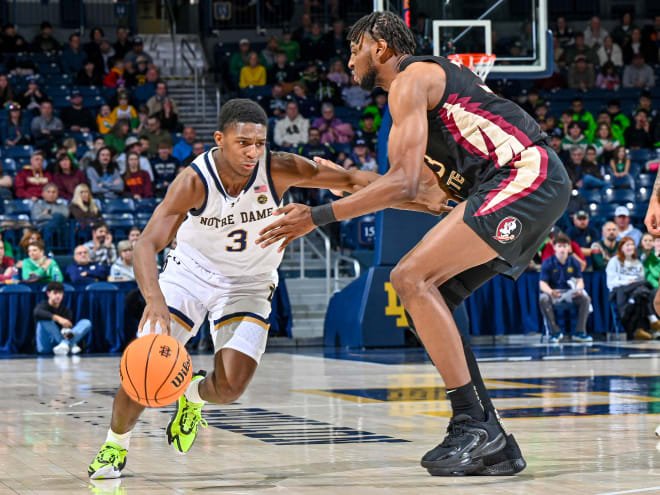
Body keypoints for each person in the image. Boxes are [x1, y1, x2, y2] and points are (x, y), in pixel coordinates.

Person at [256, 12, 573, 476]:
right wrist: (331, 178)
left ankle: (474, 423)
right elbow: (424, 195)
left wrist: (317, 216)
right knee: (433, 292)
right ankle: (490, 436)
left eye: (354, 49)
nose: (349, 60)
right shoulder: (432, 106)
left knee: (409, 275)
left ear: (379, 46)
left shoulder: (411, 78)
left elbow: (401, 185)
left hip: (525, 175)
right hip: (522, 182)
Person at [87, 98, 398, 479]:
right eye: (243, 143)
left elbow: (351, 180)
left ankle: (192, 395)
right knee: (146, 364)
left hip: (250, 282)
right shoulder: (193, 181)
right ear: (220, 139)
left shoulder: (279, 168)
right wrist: (154, 299)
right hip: (190, 275)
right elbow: (146, 244)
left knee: (231, 386)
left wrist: (413, 191)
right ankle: (114, 447)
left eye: (259, 143)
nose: (253, 151)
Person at [539, 233, 592, 343]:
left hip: (570, 293)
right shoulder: (548, 263)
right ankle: (555, 332)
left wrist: (578, 289)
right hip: (554, 293)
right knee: (543, 298)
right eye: (559, 246)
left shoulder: (574, 262)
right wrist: (551, 291)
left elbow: (579, 280)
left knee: (585, 299)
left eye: (564, 246)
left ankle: (580, 332)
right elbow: (542, 283)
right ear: (554, 248)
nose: (562, 249)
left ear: (569, 247)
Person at [606, 236, 657, 340]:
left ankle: (638, 330)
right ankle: (652, 320)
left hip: (635, 294)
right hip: (620, 292)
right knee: (644, 286)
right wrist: (628, 282)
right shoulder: (614, 261)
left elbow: (641, 281)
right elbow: (611, 283)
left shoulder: (637, 263)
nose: (630, 247)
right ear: (621, 248)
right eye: (627, 245)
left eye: (632, 245)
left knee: (641, 293)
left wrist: (634, 285)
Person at [34, 281, 91, 355]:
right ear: (48, 294)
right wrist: (59, 319)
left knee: (86, 322)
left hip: (62, 344)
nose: (58, 296)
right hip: (46, 346)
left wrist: (68, 332)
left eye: (60, 293)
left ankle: (65, 344)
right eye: (55, 293)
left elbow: (67, 330)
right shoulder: (42, 307)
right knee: (44, 320)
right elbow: (37, 313)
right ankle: (68, 345)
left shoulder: (66, 311)